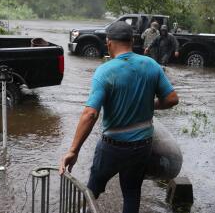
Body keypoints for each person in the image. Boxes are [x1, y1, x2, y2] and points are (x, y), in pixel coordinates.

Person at [59, 21, 179, 213]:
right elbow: (172, 99)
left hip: (112, 146)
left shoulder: (105, 71)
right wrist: (151, 104)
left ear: (108, 43)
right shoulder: (151, 65)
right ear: (132, 41)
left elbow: (90, 114)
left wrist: (73, 150)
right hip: (142, 146)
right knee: (131, 192)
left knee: (93, 189)